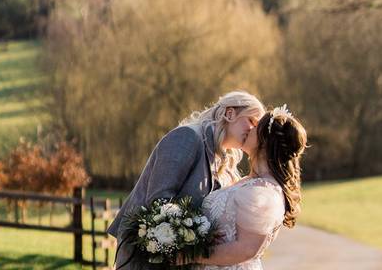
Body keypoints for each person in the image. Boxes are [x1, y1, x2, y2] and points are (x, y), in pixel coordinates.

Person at [108, 91, 266, 269]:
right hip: (148, 259)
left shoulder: (223, 159)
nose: (254, 130)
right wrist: (198, 236)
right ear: (230, 113)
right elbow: (159, 201)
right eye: (251, 121)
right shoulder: (187, 137)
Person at [192, 105, 307, 270]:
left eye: (256, 126)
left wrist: (189, 255)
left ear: (264, 140)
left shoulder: (263, 192)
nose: (250, 129)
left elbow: (247, 249)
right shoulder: (248, 182)